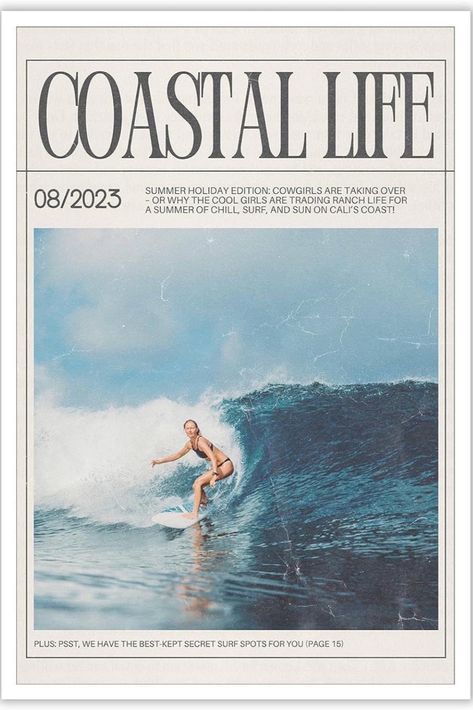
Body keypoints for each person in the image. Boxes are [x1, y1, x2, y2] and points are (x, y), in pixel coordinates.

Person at [151, 419, 234, 519]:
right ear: (185, 430)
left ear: (197, 429)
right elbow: (177, 455)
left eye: (192, 428)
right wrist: (159, 461)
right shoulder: (190, 444)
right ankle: (204, 502)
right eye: (187, 428)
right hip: (219, 466)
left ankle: (194, 513)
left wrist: (214, 476)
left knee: (198, 482)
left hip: (225, 465)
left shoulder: (200, 441)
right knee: (196, 485)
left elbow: (212, 456)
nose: (190, 430)